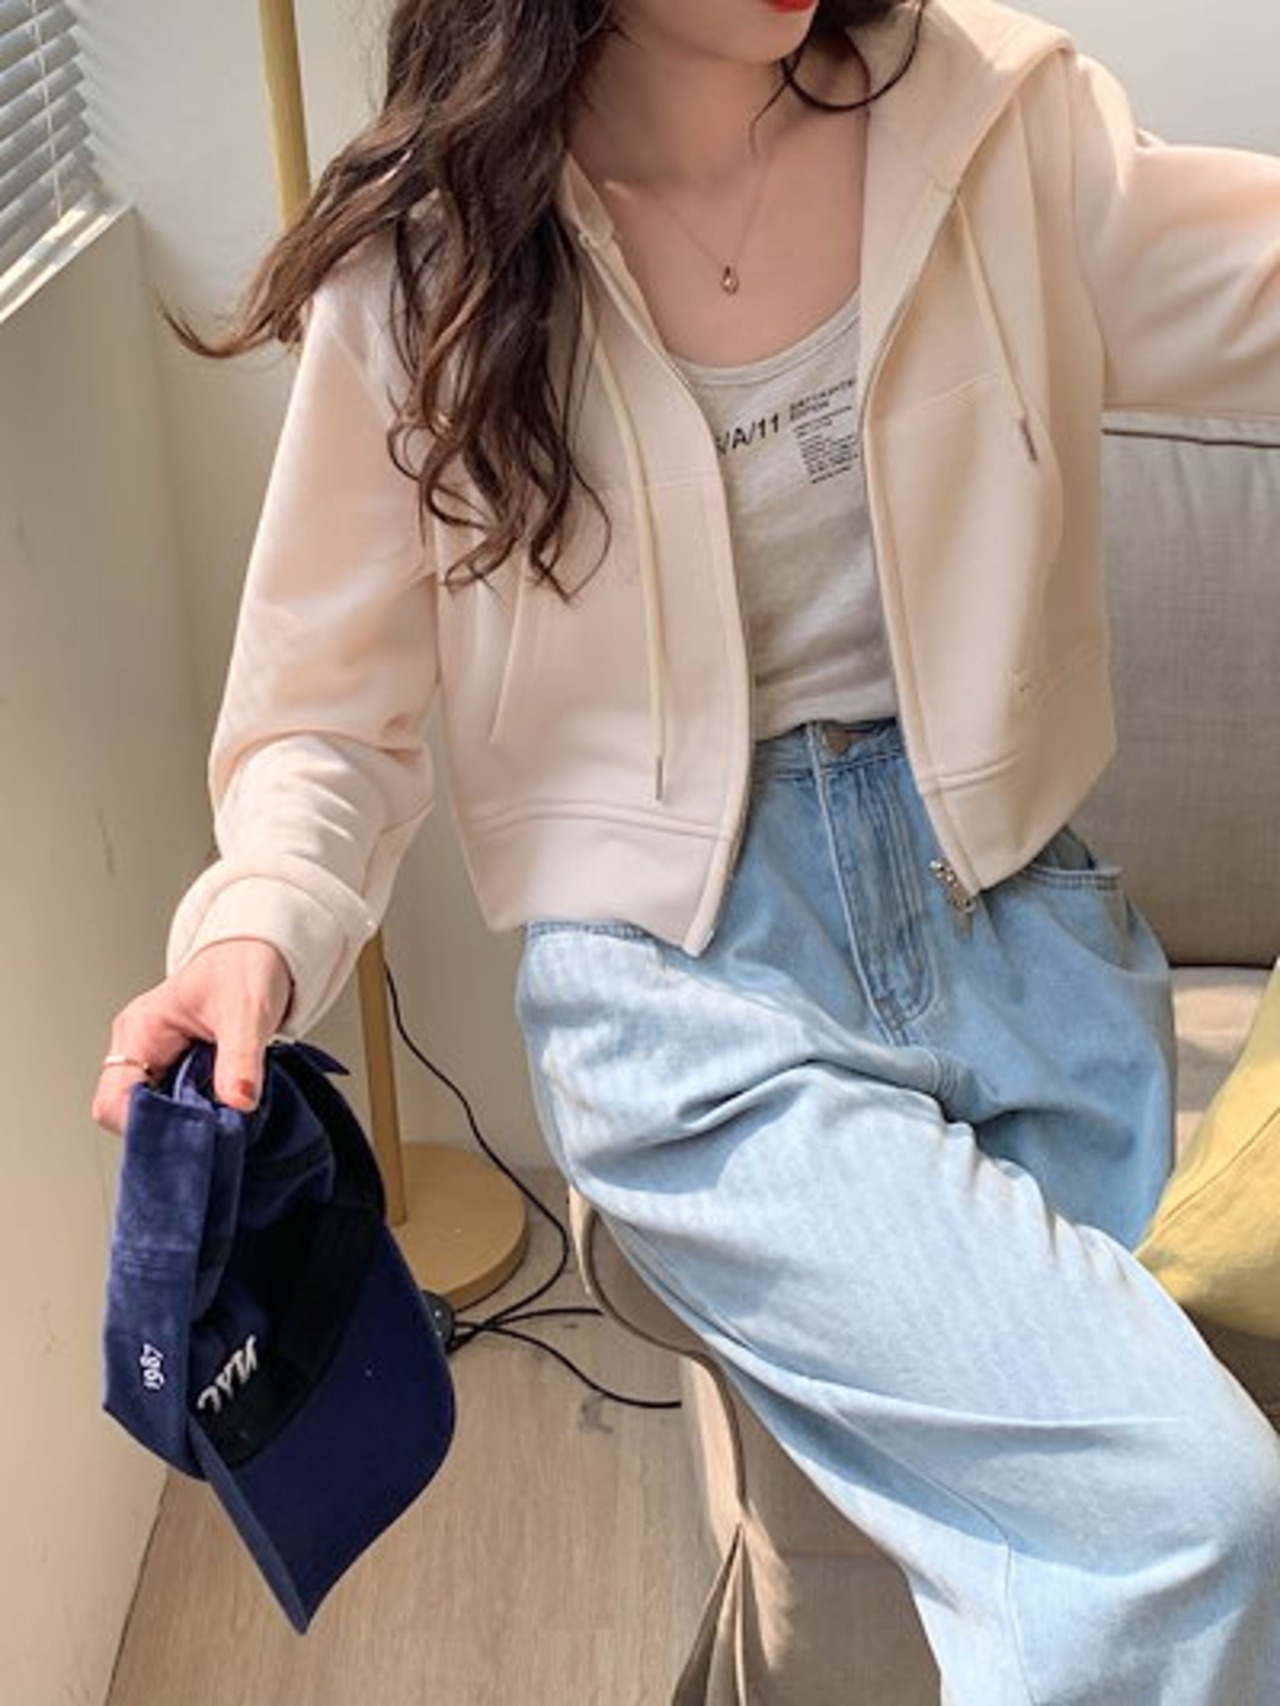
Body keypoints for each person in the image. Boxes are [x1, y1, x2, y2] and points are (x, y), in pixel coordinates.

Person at [93, 0, 1280, 1699]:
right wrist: (256, 924)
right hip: (689, 1000)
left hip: (1020, 935)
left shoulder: (997, 123)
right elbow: (323, 713)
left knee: (1091, 1571)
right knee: (1195, 1509)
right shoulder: (437, 260)